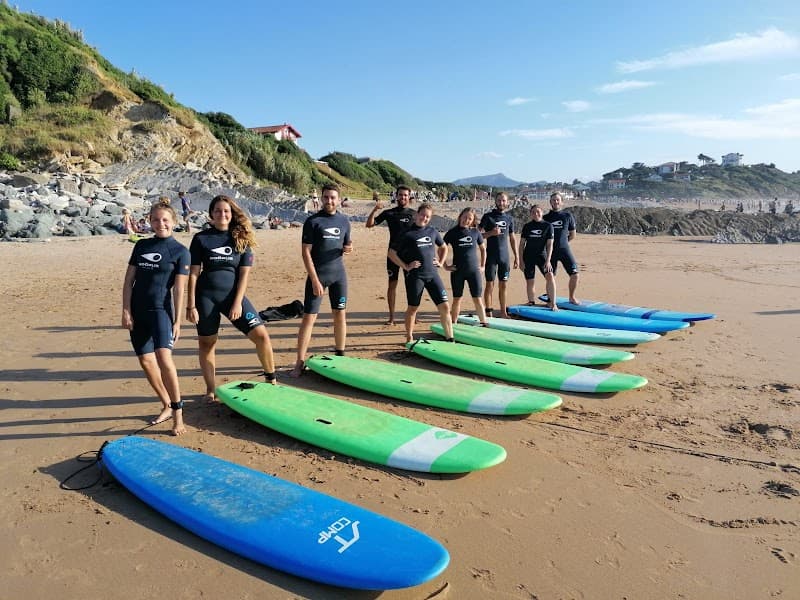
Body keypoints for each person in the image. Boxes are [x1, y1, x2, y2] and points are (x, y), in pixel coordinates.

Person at [187, 195, 277, 401]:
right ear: (211, 214)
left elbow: (244, 275)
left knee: (261, 336)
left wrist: (237, 302)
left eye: (226, 211)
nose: (222, 214)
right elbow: (193, 273)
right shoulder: (201, 239)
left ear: (231, 214)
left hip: (233, 298)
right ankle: (210, 390)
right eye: (217, 211)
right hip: (205, 298)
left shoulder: (241, 238)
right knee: (207, 344)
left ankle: (271, 379)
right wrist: (190, 305)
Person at [121, 201, 189, 436]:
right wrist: (126, 310)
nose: (161, 224)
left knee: (164, 358)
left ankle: (178, 414)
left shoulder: (180, 252)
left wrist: (178, 321)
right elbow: (129, 281)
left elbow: (179, 290)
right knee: (146, 361)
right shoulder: (141, 246)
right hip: (138, 312)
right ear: (149, 222)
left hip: (161, 311)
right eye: (156, 220)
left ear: (174, 222)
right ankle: (166, 405)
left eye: (165, 220)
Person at [290, 183, 353, 376]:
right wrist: (315, 279)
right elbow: (305, 253)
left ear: (338, 199)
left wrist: (349, 248)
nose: (329, 201)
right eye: (326, 197)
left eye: (333, 197)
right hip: (318, 277)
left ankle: (340, 354)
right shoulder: (313, 221)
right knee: (309, 319)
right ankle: (299, 363)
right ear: (321, 198)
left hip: (339, 276)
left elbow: (346, 244)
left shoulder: (344, 221)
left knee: (339, 315)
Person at [388, 203, 453, 344]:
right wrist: (405, 266)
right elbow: (391, 253)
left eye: (427, 216)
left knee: (445, 306)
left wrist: (441, 262)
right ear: (417, 214)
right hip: (415, 276)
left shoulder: (432, 231)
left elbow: (443, 247)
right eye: (422, 215)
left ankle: (450, 337)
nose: (424, 218)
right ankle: (409, 337)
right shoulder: (406, 233)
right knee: (413, 308)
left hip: (432, 274)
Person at [366, 184, 415, 325]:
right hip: (392, 255)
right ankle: (392, 317)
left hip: (409, 255)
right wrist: (374, 210)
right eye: (400, 195)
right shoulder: (389, 213)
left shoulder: (414, 214)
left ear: (409, 197)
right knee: (392, 285)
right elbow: (369, 225)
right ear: (396, 196)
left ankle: (412, 314)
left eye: (405, 195)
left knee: (411, 285)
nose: (403, 197)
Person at [443, 207, 488, 325]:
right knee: (457, 299)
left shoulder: (475, 232)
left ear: (473, 220)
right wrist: (445, 265)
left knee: (477, 298)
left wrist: (483, 266)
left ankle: (483, 322)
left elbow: (483, 249)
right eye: (464, 217)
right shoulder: (452, 232)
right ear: (460, 217)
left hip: (474, 271)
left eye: (469, 218)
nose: (466, 220)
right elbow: (442, 248)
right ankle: (453, 323)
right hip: (457, 271)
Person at [479, 191, 518, 317]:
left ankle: (503, 312)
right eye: (499, 200)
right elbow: (477, 236)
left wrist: (517, 256)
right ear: (495, 201)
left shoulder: (509, 219)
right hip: (491, 257)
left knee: (503, 285)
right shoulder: (488, 217)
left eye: (504, 200)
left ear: (507, 203)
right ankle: (489, 312)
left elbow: (512, 238)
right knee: (490, 284)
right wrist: (490, 233)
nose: (501, 202)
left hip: (504, 258)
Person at [543, 191, 579, 304]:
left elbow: (573, 234)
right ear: (550, 202)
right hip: (550, 252)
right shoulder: (545, 218)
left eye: (558, 200)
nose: (555, 202)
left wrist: (563, 243)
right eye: (553, 200)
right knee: (550, 276)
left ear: (562, 202)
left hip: (565, 250)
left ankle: (572, 297)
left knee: (575, 274)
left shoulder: (567, 216)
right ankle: (550, 299)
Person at [519, 204, 557, 310]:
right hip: (528, 256)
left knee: (550, 276)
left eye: (538, 211)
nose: (536, 214)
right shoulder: (527, 226)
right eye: (533, 212)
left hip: (542, 256)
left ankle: (553, 303)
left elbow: (550, 244)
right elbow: (521, 244)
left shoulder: (548, 226)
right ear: (530, 214)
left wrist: (548, 260)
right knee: (530, 280)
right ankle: (531, 301)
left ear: (542, 212)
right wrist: (521, 261)